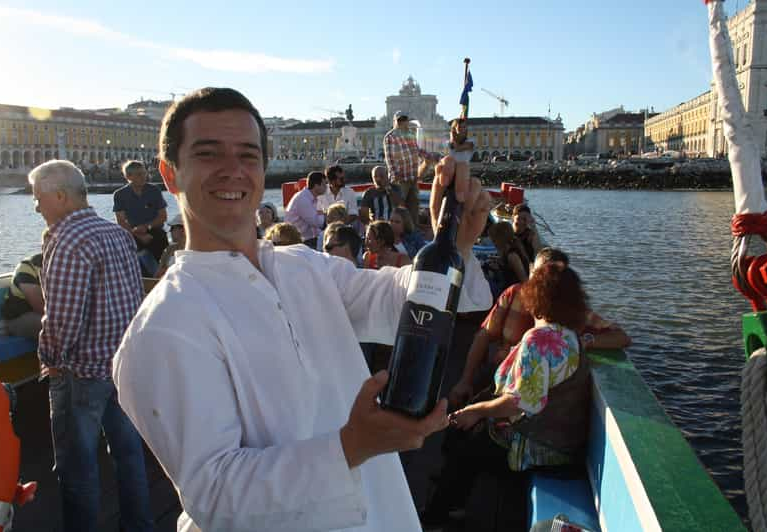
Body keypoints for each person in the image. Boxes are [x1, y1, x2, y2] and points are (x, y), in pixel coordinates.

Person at [111, 87, 493, 532]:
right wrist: (352, 447)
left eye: (249, 156)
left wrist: (456, 244)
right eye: (208, 153)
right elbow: (214, 494)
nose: (233, 171)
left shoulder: (302, 265)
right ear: (170, 174)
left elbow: (398, 301)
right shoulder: (162, 327)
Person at [29, 160, 152, 532]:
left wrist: (48, 360)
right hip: (121, 366)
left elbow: (63, 320)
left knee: (77, 467)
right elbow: (133, 300)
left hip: (81, 374)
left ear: (60, 196)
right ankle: (140, 526)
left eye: (38, 199)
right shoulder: (117, 235)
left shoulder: (68, 241)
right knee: (129, 456)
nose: (36, 207)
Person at [422, 263, 591, 530]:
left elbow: (520, 401)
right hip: (563, 440)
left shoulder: (539, 340)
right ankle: (452, 500)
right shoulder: (571, 337)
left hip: (542, 447)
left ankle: (437, 516)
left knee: (469, 441)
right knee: (471, 430)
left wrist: (476, 411)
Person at [449, 248, 631, 410]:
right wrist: (465, 380)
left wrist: (587, 341)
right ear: (531, 271)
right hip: (500, 374)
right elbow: (484, 335)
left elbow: (622, 337)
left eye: (554, 278)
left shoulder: (569, 310)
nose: (545, 284)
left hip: (538, 394)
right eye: (541, 276)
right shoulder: (514, 294)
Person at [383, 111, 439, 224]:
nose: (402, 122)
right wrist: (394, 174)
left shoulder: (410, 134)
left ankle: (413, 230)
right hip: (400, 179)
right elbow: (389, 158)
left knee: (414, 206)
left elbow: (416, 150)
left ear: (407, 121)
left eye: (404, 120)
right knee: (399, 208)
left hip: (412, 177)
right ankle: (399, 233)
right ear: (394, 122)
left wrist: (429, 156)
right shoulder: (390, 136)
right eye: (399, 120)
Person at [113, 160, 169, 261]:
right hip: (132, 233)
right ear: (128, 177)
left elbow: (163, 216)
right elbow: (120, 221)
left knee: (160, 240)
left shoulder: (154, 190)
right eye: (139, 174)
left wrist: (146, 227)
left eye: (144, 173)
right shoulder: (119, 195)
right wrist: (138, 234)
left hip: (154, 232)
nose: (144, 177)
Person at [1, 253, 44, 339]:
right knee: (55, 328)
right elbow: (38, 305)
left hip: (45, 314)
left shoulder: (64, 266)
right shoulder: (27, 267)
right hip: (19, 317)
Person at [483, 221, 529, 297]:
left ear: (500, 239)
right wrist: (498, 262)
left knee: (484, 279)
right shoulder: (507, 251)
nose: (493, 243)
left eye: (494, 240)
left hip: (511, 292)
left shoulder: (512, 256)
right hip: (506, 287)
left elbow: (524, 279)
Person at [285, 170, 326, 248]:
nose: (326, 187)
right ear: (316, 185)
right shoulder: (303, 199)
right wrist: (327, 216)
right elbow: (317, 222)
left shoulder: (310, 197)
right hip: (300, 240)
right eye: (324, 184)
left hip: (308, 238)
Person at [155, 213, 186, 278]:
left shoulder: (192, 252)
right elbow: (158, 274)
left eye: (172, 228)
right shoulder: (168, 249)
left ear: (183, 230)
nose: (170, 231)